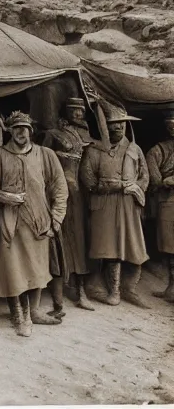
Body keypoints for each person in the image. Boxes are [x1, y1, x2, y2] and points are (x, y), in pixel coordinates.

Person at [0, 111, 68, 337]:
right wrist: (5, 196)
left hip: (39, 221)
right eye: (17, 129)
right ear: (10, 131)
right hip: (10, 223)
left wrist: (56, 220)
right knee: (12, 270)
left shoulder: (45, 154)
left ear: (31, 131)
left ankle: (34, 311)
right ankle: (19, 315)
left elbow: (60, 187)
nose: (22, 133)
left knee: (37, 269)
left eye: (25, 128)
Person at [80, 103, 150, 308]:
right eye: (113, 124)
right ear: (105, 127)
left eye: (121, 124)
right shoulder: (95, 150)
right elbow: (86, 176)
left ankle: (130, 289)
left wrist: (134, 187)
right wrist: (101, 186)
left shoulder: (134, 149)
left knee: (133, 247)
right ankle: (113, 291)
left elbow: (145, 177)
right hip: (105, 204)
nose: (117, 127)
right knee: (109, 248)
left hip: (128, 204)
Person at [42, 97, 95, 316]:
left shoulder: (85, 135)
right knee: (56, 237)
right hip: (55, 192)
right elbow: (41, 162)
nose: (78, 114)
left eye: (81, 111)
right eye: (73, 110)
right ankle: (54, 289)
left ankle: (80, 288)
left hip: (78, 194)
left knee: (79, 238)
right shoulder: (53, 134)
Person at [146, 111, 174, 302]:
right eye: (170, 124)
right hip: (167, 202)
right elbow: (156, 180)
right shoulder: (157, 150)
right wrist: (166, 181)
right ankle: (171, 288)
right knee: (168, 247)